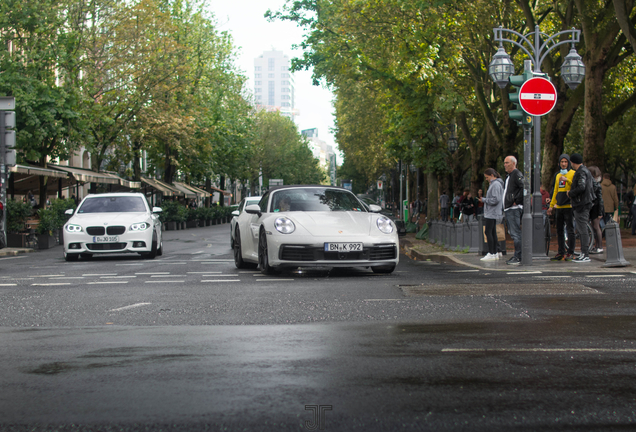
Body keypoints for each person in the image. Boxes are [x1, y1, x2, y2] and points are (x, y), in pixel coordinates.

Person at [547, 154, 576, 261]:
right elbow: (555, 191)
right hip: (559, 206)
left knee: (570, 229)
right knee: (559, 230)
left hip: (569, 205)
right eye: (562, 162)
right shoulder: (557, 175)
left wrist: (567, 180)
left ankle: (570, 252)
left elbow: (576, 186)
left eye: (565, 162)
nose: (563, 164)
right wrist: (551, 206)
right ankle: (561, 252)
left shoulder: (573, 173)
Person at [567, 153, 595, 263]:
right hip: (585, 202)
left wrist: (571, 193)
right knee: (582, 229)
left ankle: (585, 254)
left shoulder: (580, 172)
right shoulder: (586, 170)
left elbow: (581, 187)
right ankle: (584, 253)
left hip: (581, 204)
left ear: (573, 162)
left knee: (582, 229)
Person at [503, 155, 524, 265]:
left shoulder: (516, 174)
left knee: (515, 233)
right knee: (513, 232)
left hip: (513, 208)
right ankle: (518, 255)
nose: (505, 165)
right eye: (504, 163)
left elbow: (524, 186)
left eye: (507, 163)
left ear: (513, 163)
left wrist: (516, 200)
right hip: (510, 208)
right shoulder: (510, 176)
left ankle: (518, 256)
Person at [479, 168, 504, 261]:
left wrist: (484, 200)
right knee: (492, 232)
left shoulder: (495, 185)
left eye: (487, 177)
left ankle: (491, 252)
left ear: (492, 175)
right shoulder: (496, 184)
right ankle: (495, 252)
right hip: (493, 211)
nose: (486, 179)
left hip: (492, 212)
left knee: (488, 232)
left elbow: (495, 199)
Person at [587, 166, 604, 254]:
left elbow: (600, 199)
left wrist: (600, 212)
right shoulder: (596, 183)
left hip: (596, 208)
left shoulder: (596, 185)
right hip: (595, 207)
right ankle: (597, 246)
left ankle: (599, 246)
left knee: (596, 227)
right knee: (594, 226)